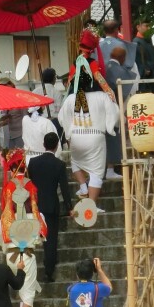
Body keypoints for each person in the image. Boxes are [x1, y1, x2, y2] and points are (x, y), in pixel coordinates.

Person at [59, 56, 119, 212]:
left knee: (76, 162)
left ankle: (83, 186)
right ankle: (91, 205)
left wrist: (69, 132)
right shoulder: (102, 96)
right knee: (97, 172)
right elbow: (114, 113)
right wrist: (111, 127)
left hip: (77, 137)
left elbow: (61, 118)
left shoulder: (71, 98)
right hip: (96, 137)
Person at [0, 149, 46, 307]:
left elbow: (0, 228)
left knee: (18, 283)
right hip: (27, 253)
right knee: (28, 288)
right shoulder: (31, 192)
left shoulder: (8, 193)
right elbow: (40, 227)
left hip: (11, 252)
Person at [27, 132, 73, 283]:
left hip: (36, 205)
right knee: (51, 238)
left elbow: (29, 184)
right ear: (57, 146)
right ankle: (49, 271)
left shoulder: (33, 162)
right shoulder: (59, 165)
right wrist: (69, 207)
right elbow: (65, 189)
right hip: (51, 205)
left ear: (43, 144)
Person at [104, 46, 138, 181]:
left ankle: (105, 169)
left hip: (99, 107)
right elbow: (128, 93)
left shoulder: (102, 68)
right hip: (113, 107)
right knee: (113, 135)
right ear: (122, 58)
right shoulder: (122, 72)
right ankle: (111, 169)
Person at [133, 20, 154, 99]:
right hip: (148, 82)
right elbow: (140, 65)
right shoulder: (136, 43)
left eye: (150, 26)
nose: (149, 28)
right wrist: (147, 69)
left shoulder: (147, 42)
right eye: (146, 26)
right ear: (138, 27)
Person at [0, 78, 27, 149]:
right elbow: (8, 118)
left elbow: (26, 117)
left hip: (20, 134)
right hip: (10, 135)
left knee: (21, 156)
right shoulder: (4, 101)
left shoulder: (20, 99)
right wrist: (0, 124)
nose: (4, 88)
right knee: (10, 156)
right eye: (1, 86)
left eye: (5, 85)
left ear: (11, 85)